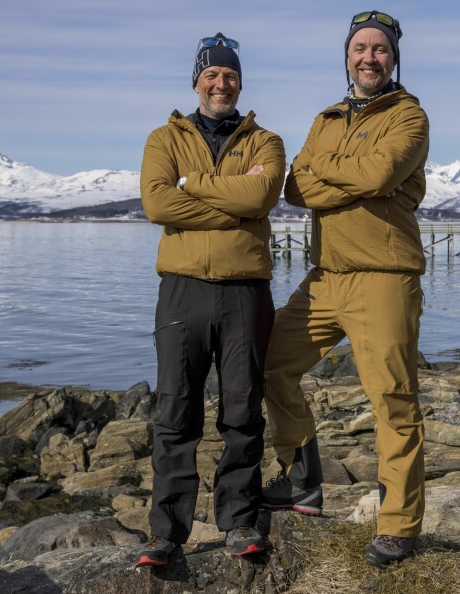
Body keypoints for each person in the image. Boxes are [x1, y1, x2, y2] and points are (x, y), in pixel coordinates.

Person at [261, 10, 429, 568]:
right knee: (271, 363)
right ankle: (302, 482)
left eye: (380, 49)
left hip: (385, 278)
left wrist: (331, 175)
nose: (369, 58)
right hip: (326, 277)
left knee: (392, 402)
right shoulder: (326, 117)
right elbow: (294, 187)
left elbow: (380, 175)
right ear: (347, 55)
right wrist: (351, 178)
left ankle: (399, 526)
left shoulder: (411, 117)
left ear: (394, 57)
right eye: (360, 48)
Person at [136, 32, 285, 567]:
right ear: (196, 81)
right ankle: (166, 534)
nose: (221, 84)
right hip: (181, 290)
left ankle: (240, 520)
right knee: (175, 411)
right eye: (212, 76)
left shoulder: (265, 141)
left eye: (230, 76)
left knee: (243, 409)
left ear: (239, 82)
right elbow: (157, 203)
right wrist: (234, 209)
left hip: (246, 291)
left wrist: (192, 185)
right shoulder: (163, 137)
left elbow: (262, 195)